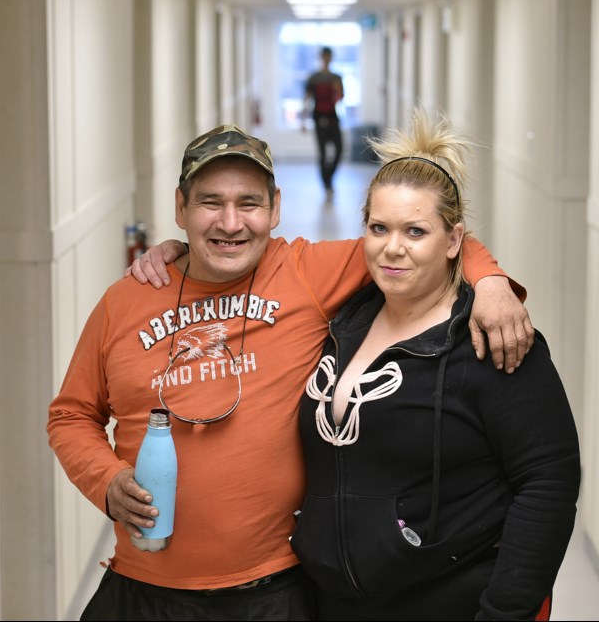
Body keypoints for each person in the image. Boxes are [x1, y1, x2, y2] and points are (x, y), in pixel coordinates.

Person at [49, 123, 533, 621]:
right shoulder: (126, 300)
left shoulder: (306, 272)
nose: (231, 223)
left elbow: (421, 240)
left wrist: (491, 282)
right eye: (210, 202)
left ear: (275, 208)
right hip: (142, 585)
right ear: (180, 209)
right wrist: (106, 480)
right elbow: (70, 415)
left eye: (250, 204)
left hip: (273, 591)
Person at [289, 108, 581, 621]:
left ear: (454, 241)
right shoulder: (345, 320)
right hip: (337, 601)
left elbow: (549, 484)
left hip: (450, 599)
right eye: (378, 227)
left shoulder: (492, 340)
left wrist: (504, 612)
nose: (392, 248)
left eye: (416, 232)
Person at [303, 46, 344, 200]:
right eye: (324, 56)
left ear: (331, 58)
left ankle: (329, 178)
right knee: (323, 154)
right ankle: (326, 184)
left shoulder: (336, 78)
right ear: (321, 57)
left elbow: (340, 98)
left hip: (333, 118)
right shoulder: (314, 78)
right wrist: (303, 119)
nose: (326, 59)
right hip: (318, 118)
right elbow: (307, 98)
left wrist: (337, 91)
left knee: (338, 151)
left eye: (328, 56)